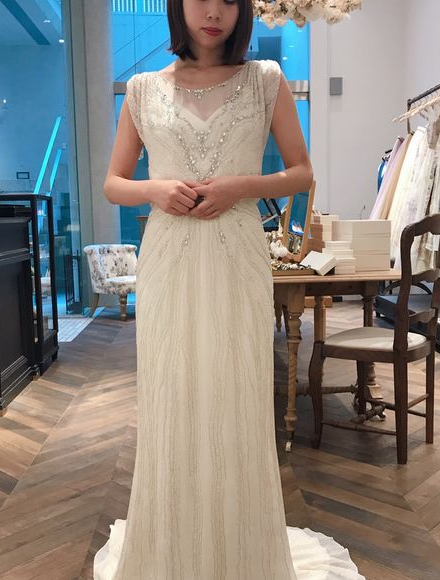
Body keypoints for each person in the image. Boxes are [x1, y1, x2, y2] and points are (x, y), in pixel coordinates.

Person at [94, 0, 363, 577]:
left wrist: (241, 185)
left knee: (238, 393)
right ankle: (170, 552)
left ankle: (239, 552)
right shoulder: (142, 88)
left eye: (227, 0)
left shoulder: (265, 79)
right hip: (169, 256)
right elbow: (114, 182)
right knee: (171, 395)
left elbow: (302, 172)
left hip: (236, 252)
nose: (213, 11)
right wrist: (154, 189)